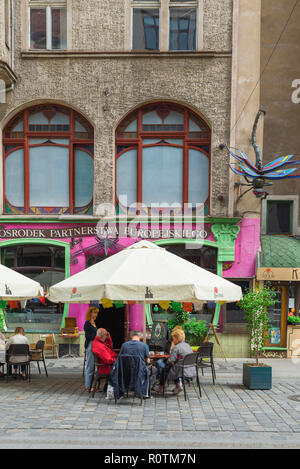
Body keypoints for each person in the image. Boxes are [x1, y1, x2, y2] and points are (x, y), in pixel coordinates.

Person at [153, 328, 195, 395]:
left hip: (181, 370)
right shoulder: (187, 345)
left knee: (165, 368)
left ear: (177, 338)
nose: (172, 340)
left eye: (173, 338)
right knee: (171, 367)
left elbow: (170, 360)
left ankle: (161, 386)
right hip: (190, 368)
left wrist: (167, 361)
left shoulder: (177, 347)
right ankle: (178, 385)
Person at [83, 306, 99, 391]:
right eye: (95, 312)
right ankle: (88, 386)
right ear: (90, 313)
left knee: (94, 367)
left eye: (96, 313)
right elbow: (88, 336)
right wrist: (97, 336)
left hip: (95, 345)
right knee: (90, 366)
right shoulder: (87, 323)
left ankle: (93, 385)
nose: (96, 314)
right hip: (90, 345)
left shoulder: (94, 323)